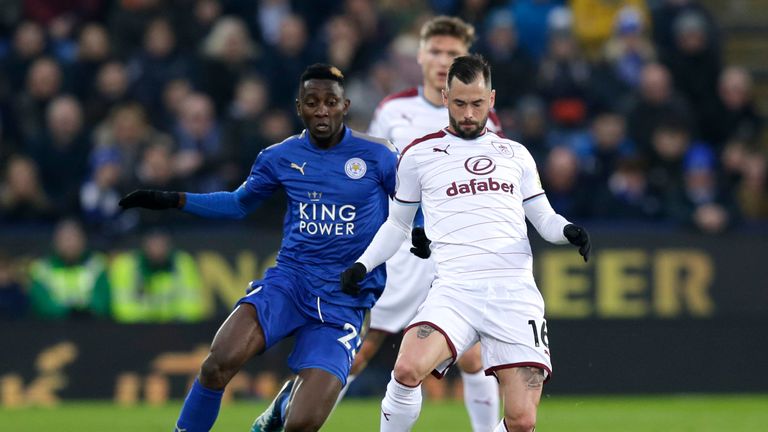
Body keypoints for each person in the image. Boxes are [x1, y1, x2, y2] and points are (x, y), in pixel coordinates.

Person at [118, 64, 398, 432]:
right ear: (299, 107)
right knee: (217, 363)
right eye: (312, 102)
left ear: (344, 105)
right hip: (290, 283)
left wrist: (422, 237)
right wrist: (173, 199)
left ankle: (282, 404)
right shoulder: (280, 156)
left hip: (344, 298)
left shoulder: (379, 155)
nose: (321, 111)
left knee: (301, 425)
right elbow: (238, 204)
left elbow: (412, 208)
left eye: (330, 102)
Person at [340, 55, 591, 432]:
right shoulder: (419, 155)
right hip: (455, 290)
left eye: (477, 103)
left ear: (492, 99)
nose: (469, 113)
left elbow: (543, 217)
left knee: (522, 421)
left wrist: (567, 230)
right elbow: (397, 224)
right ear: (445, 98)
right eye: (459, 103)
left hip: (514, 293)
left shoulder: (515, 155)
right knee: (407, 368)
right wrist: (364, 264)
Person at [354, 16, 502, 432]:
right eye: (435, 51)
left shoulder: (485, 120)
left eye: (452, 54)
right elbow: (373, 179)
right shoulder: (392, 110)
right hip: (402, 248)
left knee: (473, 356)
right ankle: (291, 418)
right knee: (357, 348)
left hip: (454, 252)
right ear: (420, 55)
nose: (442, 61)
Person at [108, 228, 207, 323]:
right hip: (136, 328)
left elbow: (192, 304)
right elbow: (122, 307)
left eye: (161, 243)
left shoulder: (183, 263)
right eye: (153, 243)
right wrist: (149, 322)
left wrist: (176, 322)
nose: (157, 248)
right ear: (144, 244)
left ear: (169, 244)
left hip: (175, 328)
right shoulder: (126, 265)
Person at [28, 219, 111, 319]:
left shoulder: (96, 264)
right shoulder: (42, 269)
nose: (70, 244)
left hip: (91, 324)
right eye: (65, 239)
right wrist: (68, 312)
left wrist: (83, 311)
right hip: (52, 325)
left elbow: (102, 302)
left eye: (74, 238)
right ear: (55, 242)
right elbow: (41, 305)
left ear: (83, 240)